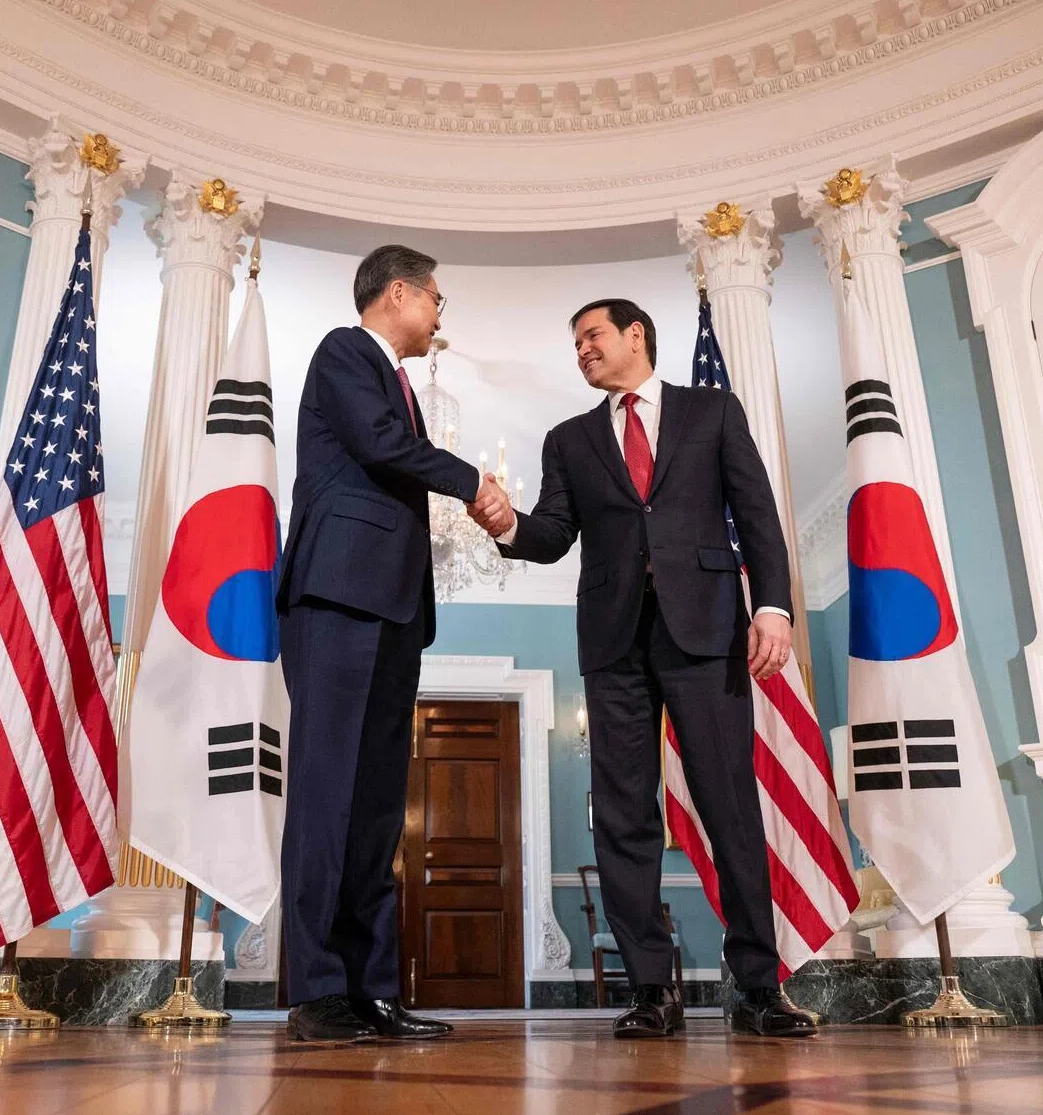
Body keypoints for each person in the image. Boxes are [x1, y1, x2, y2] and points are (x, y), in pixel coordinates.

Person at [469, 299, 816, 1039]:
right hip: (614, 639)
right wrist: (507, 525)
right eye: (576, 343)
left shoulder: (712, 411)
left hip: (708, 631)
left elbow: (755, 513)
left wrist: (774, 608)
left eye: (591, 336)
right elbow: (555, 534)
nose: (582, 351)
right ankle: (651, 992)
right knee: (623, 816)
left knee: (730, 806)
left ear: (636, 336)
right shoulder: (568, 439)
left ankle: (758, 988)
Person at [276, 245, 512, 1043]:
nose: (441, 314)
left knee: (378, 807)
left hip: (394, 609)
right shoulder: (347, 351)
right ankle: (316, 991)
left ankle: (371, 990)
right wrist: (470, 478)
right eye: (436, 298)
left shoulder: (403, 382)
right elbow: (379, 444)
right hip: (337, 596)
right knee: (326, 795)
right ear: (399, 292)